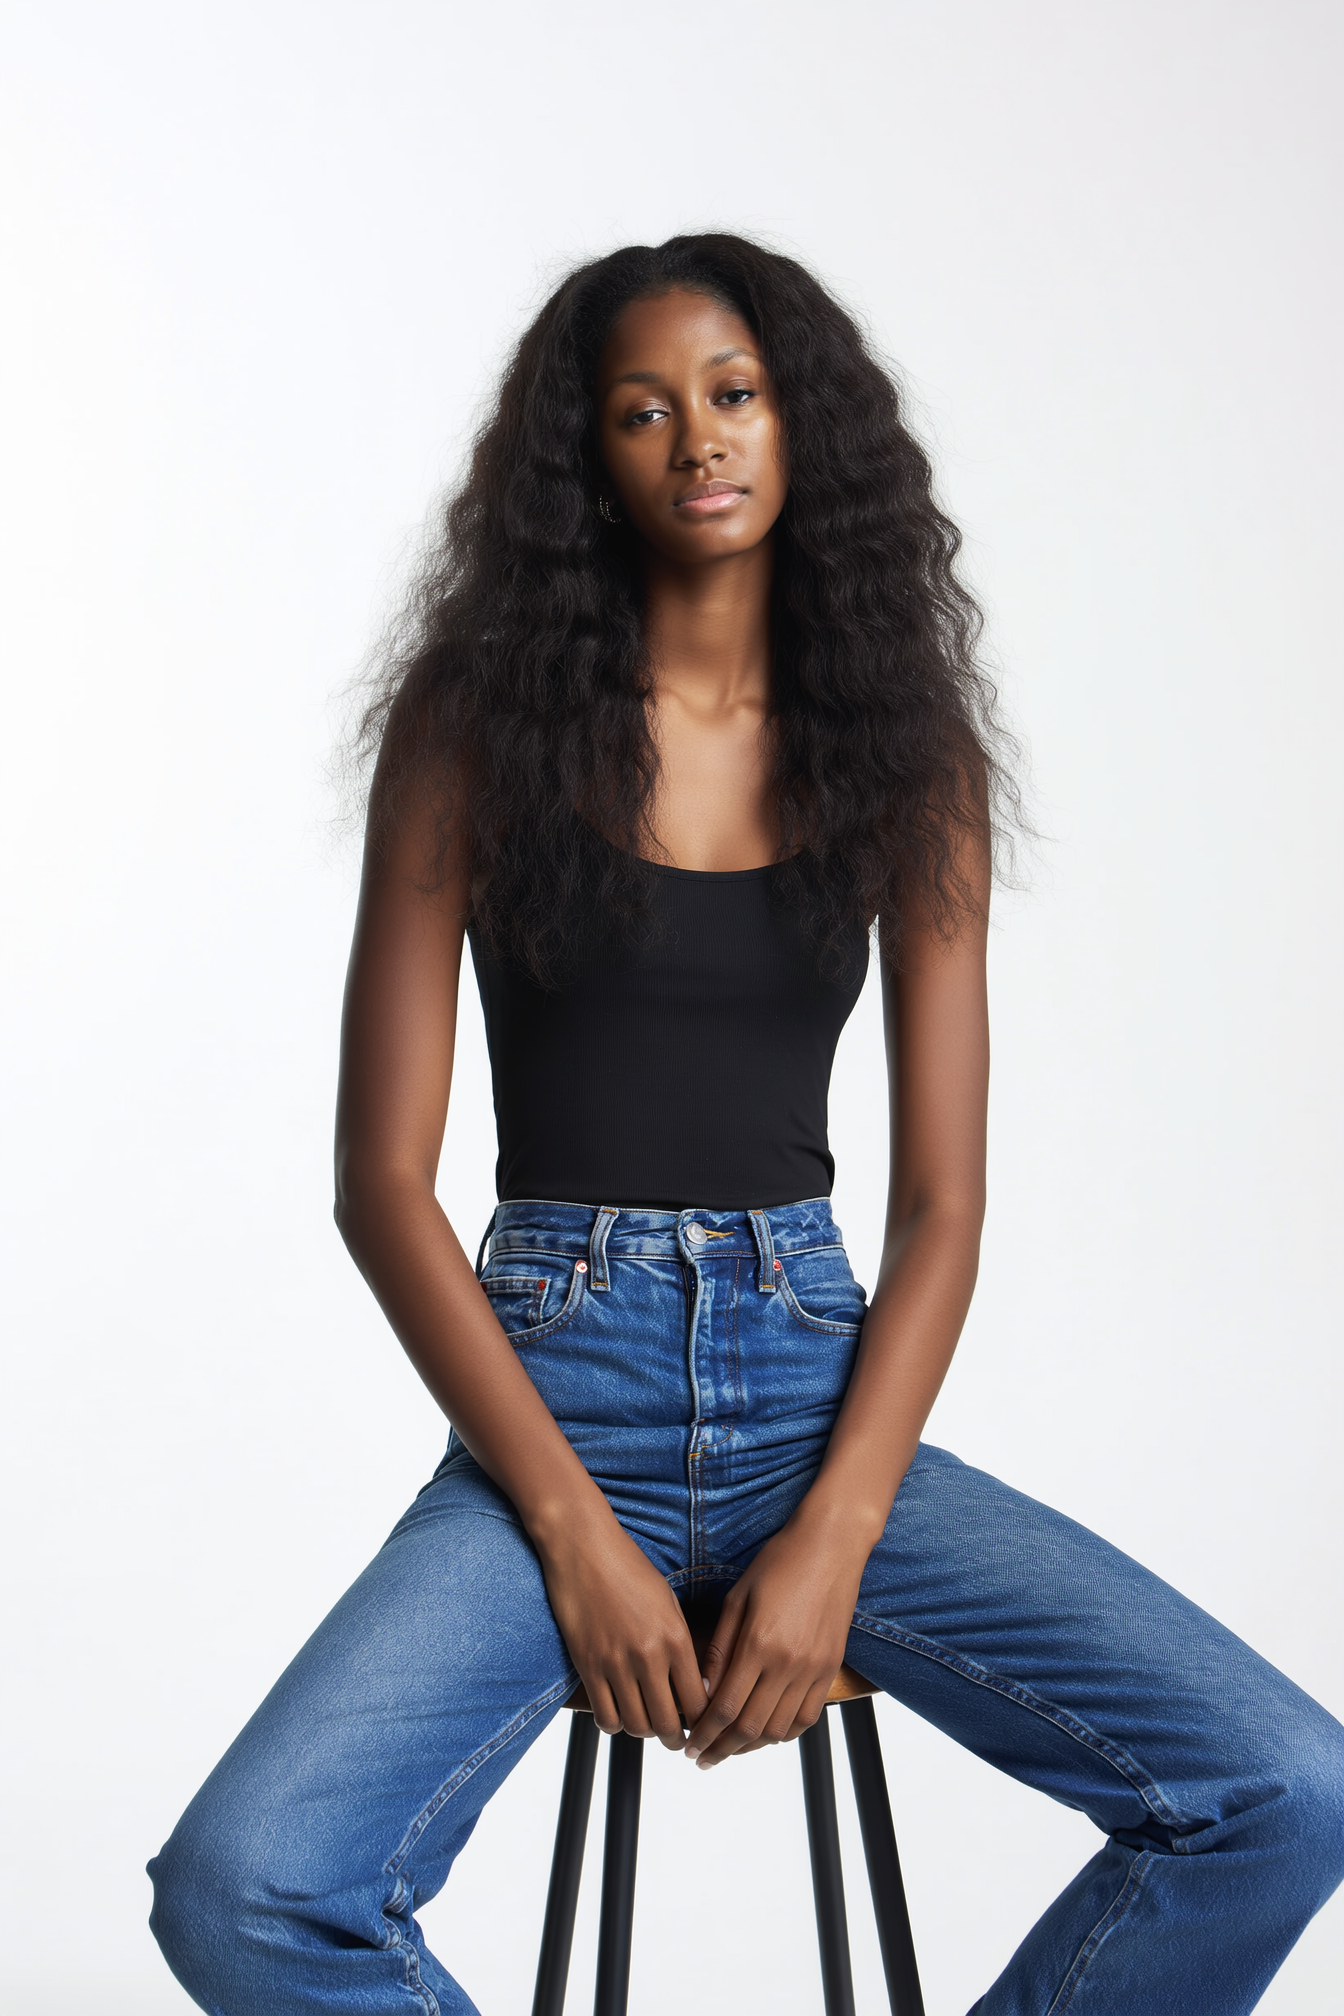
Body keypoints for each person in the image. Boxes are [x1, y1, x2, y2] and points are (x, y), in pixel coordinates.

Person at [148, 234, 1343, 2016]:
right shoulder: (475, 730)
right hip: (554, 1403)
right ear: (588, 459)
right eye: (644, 410)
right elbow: (380, 1182)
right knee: (245, 1885)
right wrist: (571, 1532)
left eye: (734, 393)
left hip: (813, 1402)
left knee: (1284, 1788)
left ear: (801, 427)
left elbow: (944, 1204)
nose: (698, 437)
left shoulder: (906, 754)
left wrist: (838, 1536)